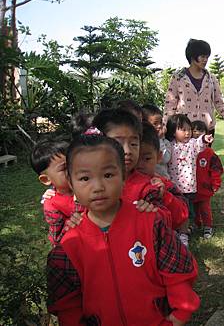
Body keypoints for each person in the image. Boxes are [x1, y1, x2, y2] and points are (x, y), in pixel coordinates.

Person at [46, 134, 200, 325]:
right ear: (71, 182)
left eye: (108, 175)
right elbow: (67, 305)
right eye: (85, 178)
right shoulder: (69, 246)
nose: (98, 187)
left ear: (124, 176)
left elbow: (176, 270)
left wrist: (180, 313)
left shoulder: (150, 223)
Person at [163, 39, 224, 138]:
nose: (205, 60)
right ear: (193, 56)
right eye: (202, 56)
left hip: (206, 130)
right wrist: (164, 126)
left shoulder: (211, 79)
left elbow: (219, 103)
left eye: (207, 57)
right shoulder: (178, 78)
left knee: (206, 154)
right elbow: (170, 104)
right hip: (184, 130)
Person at [165, 114, 213, 246]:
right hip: (174, 187)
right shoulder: (170, 145)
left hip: (188, 187)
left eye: (189, 129)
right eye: (183, 129)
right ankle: (177, 231)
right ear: (173, 131)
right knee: (175, 210)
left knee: (186, 211)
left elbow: (199, 144)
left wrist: (204, 138)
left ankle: (184, 234)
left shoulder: (192, 144)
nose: (187, 133)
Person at [136, 122, 189, 230]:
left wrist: (164, 195)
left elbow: (182, 216)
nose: (139, 165)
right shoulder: (118, 185)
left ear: (158, 157)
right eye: (135, 159)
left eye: (146, 159)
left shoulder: (163, 184)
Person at [30, 138, 82, 245]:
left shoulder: (88, 185)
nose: (74, 169)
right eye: (65, 168)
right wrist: (71, 222)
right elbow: (57, 239)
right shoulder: (52, 205)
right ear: (46, 179)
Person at [191, 120, 223, 239]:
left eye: (201, 130)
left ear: (207, 133)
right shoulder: (188, 151)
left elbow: (216, 169)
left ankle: (208, 226)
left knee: (205, 209)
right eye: (194, 130)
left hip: (205, 188)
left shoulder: (209, 153)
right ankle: (196, 224)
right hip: (191, 188)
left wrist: (215, 183)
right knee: (194, 209)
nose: (197, 133)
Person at [142, 104, 171, 179]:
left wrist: (160, 139)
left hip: (164, 179)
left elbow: (165, 158)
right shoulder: (142, 143)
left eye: (160, 123)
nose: (159, 126)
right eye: (155, 123)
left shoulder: (166, 142)